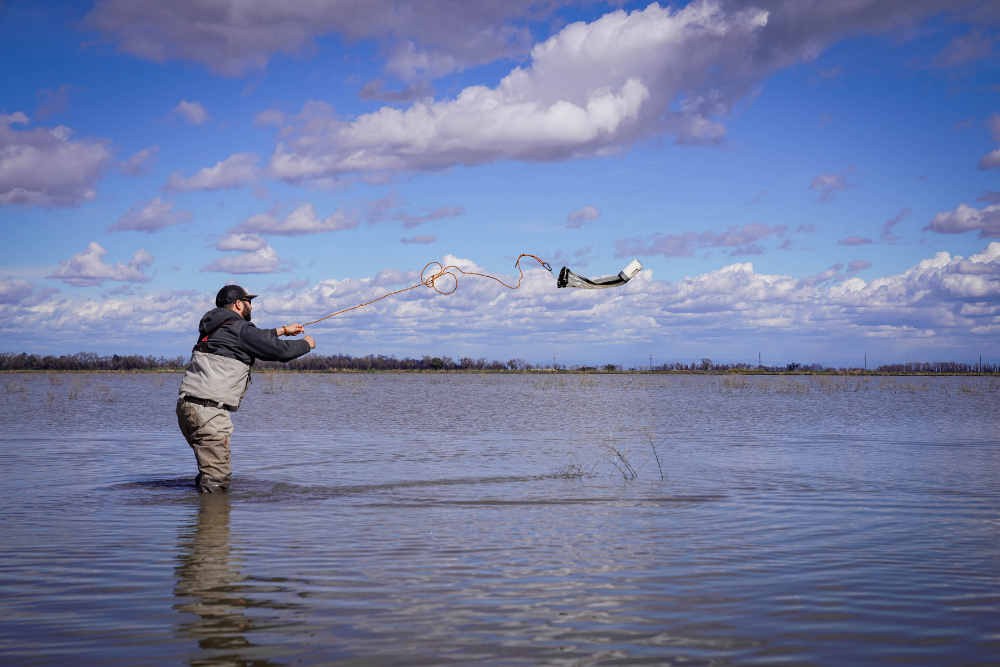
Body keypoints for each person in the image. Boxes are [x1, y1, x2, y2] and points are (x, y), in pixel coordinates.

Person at [177, 285, 315, 493]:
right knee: (217, 480)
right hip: (210, 414)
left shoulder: (214, 327)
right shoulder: (239, 329)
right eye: (249, 301)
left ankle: (200, 518)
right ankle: (212, 520)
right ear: (239, 304)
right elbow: (279, 351)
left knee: (209, 472)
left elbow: (253, 337)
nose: (251, 306)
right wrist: (306, 344)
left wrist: (284, 330)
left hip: (188, 409)